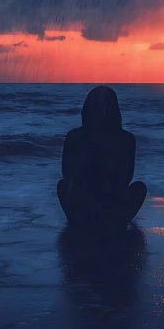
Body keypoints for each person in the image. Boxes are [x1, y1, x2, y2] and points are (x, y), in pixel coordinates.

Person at [57, 85, 147, 229]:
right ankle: (117, 222)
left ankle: (79, 221)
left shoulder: (74, 136)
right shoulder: (127, 138)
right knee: (139, 187)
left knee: (62, 185)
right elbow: (127, 176)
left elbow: (66, 173)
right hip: (113, 205)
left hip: (82, 204)